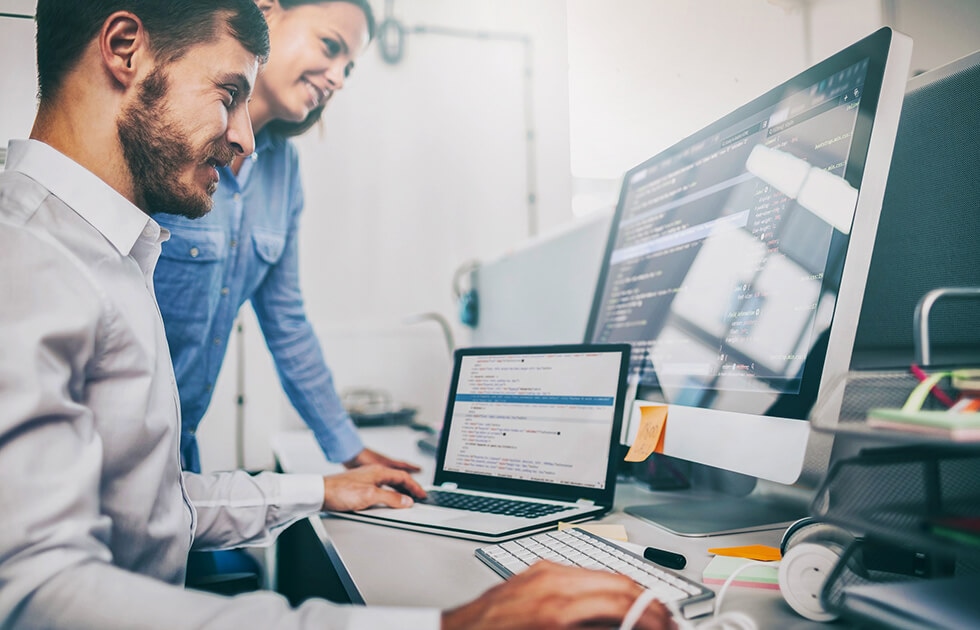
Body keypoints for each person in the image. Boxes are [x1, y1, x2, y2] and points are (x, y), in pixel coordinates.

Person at [0, 1, 676, 628]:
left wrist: (322, 486)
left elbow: (151, 506)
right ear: (124, 49)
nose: (246, 142)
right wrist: (451, 624)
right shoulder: (28, 259)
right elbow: (37, 595)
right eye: (228, 93)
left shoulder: (115, 250)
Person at [153, 0, 417, 477]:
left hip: (178, 455)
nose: (337, 78)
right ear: (267, 12)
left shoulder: (283, 173)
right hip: (102, 450)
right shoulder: (167, 129)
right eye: (330, 46)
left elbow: (287, 323)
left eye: (348, 69)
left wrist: (348, 448)